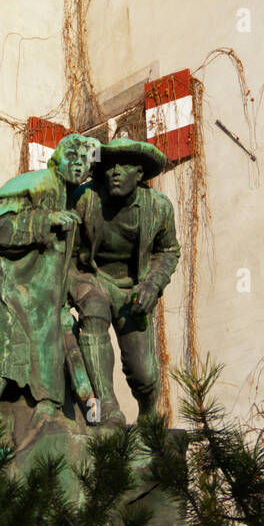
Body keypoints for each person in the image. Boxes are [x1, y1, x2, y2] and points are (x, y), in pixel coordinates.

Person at [0, 132, 99, 445]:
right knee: (5, 351)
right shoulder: (39, 183)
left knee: (32, 351)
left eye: (84, 162)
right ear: (56, 160)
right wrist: (46, 220)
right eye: (72, 158)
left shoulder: (65, 197)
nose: (78, 166)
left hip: (26, 291)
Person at [70, 137, 180, 427]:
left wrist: (152, 285)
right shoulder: (85, 199)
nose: (115, 171)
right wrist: (72, 287)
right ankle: (107, 406)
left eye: (124, 165)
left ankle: (148, 413)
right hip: (94, 279)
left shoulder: (159, 207)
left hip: (135, 290)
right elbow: (66, 252)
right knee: (93, 310)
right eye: (109, 166)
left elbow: (168, 251)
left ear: (140, 173)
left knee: (143, 374)